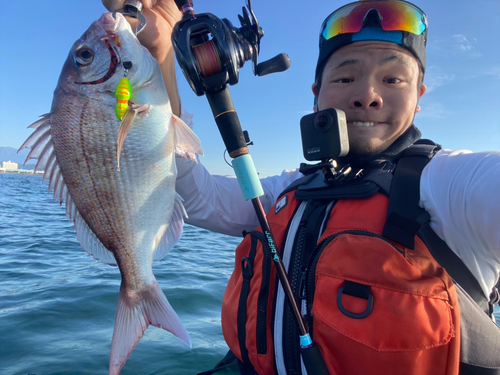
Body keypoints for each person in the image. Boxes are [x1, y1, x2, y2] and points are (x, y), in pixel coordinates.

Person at [103, 1, 500, 374]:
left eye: (393, 78)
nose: (367, 95)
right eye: (346, 76)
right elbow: (199, 195)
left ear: (418, 99)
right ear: (316, 96)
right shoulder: (293, 188)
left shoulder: (451, 186)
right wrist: (161, 56)